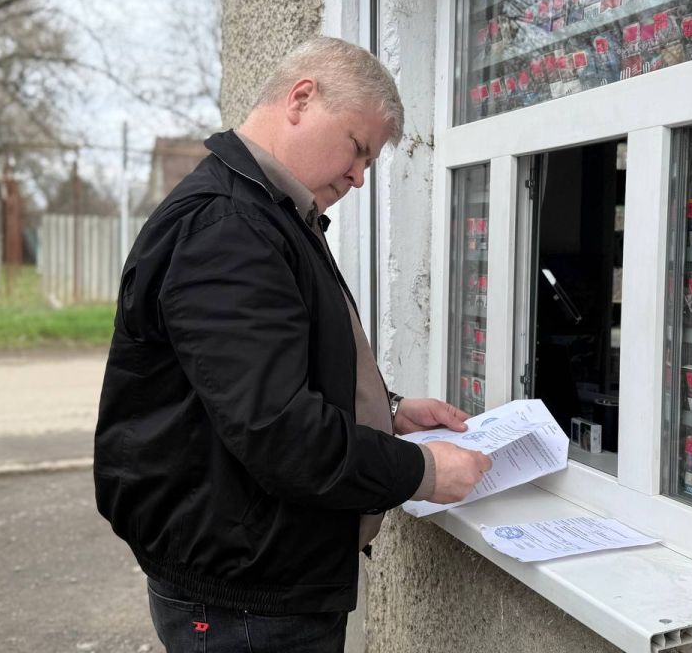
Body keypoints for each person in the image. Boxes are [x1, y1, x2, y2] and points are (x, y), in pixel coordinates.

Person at [94, 37, 492, 653]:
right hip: (243, 597)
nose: (359, 178)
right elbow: (278, 429)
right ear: (301, 99)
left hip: (259, 572)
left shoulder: (263, 213)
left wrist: (387, 414)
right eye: (358, 149)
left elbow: (267, 375)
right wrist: (423, 471)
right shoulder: (227, 227)